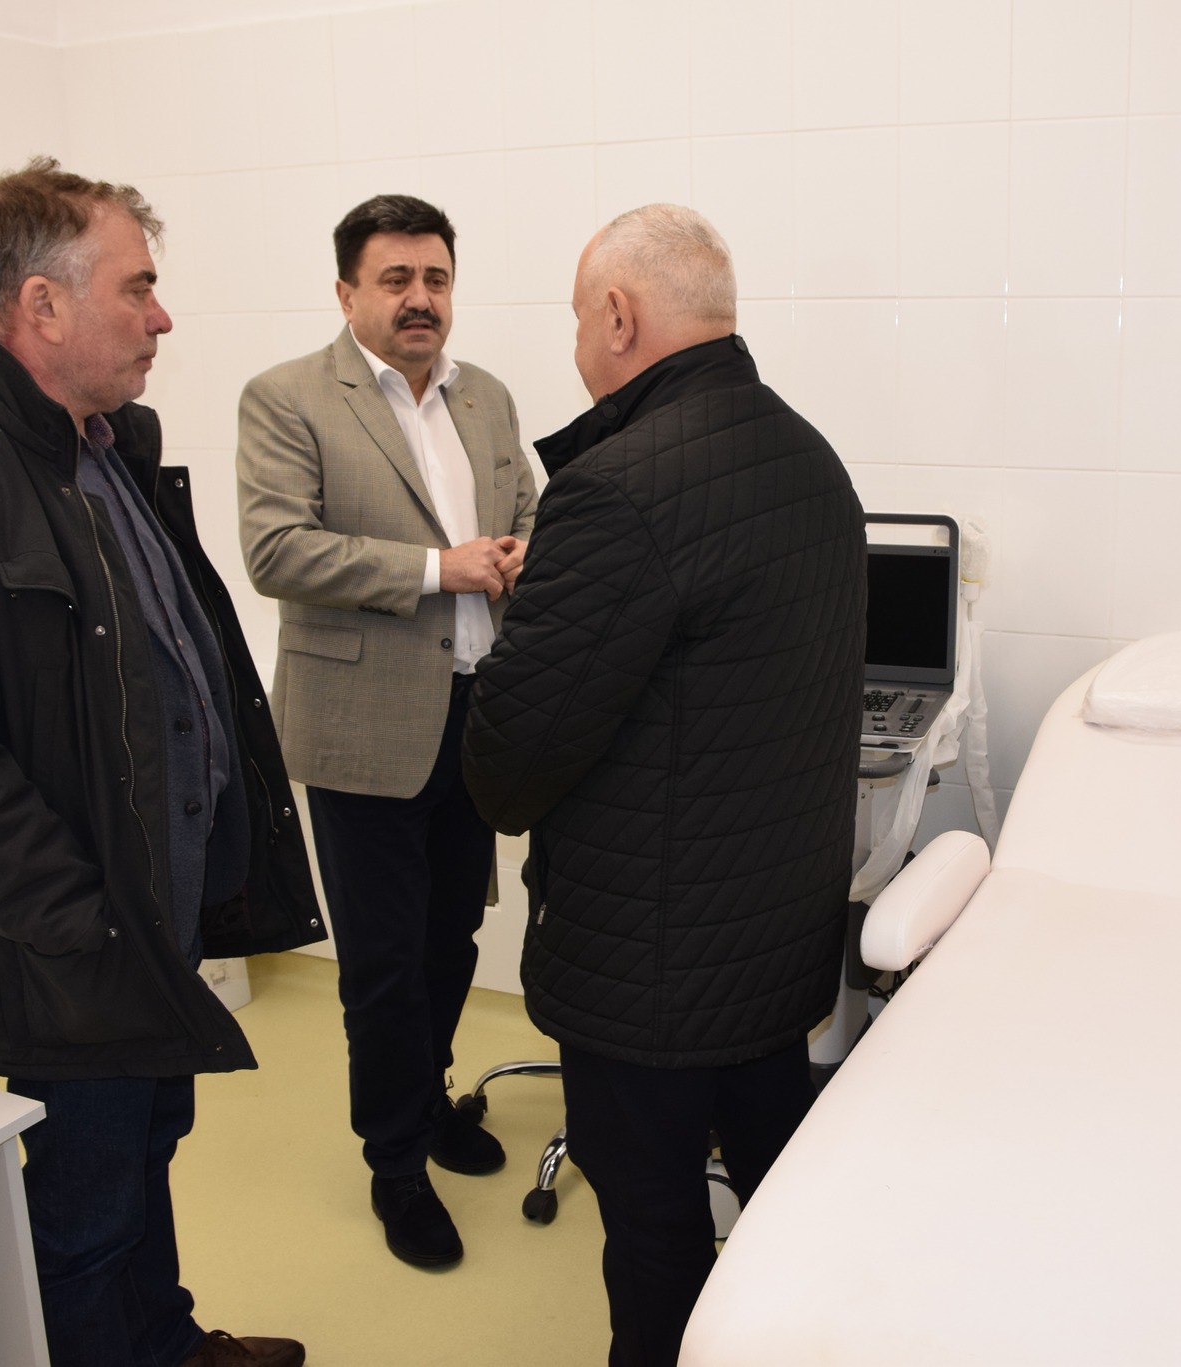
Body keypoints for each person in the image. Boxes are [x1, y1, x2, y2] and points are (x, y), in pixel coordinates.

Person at [0, 157, 320, 1367]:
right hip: (71, 942)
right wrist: (79, 920)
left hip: (149, 917)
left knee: (147, 1146)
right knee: (83, 1215)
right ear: (40, 306)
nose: (162, 316)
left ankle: (165, 1340)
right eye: (136, 287)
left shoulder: (106, 450)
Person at [462, 204, 868, 1366]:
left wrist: (530, 625)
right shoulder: (812, 461)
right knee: (777, 1208)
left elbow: (508, 766)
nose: (574, 348)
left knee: (652, 1234)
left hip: (647, 970)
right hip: (768, 947)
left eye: (575, 321)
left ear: (617, 316)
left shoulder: (615, 490)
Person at [236, 194, 538, 1269]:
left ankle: (431, 1098)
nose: (421, 299)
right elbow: (276, 550)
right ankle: (395, 1163)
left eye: (436, 279)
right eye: (396, 279)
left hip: (474, 715)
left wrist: (521, 552)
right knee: (381, 964)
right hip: (360, 724)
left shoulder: (486, 397)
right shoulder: (286, 398)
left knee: (450, 937)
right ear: (346, 292)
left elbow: (528, 511)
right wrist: (435, 568)